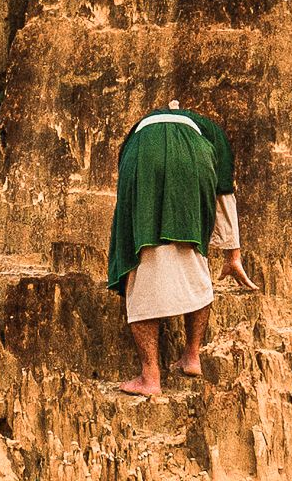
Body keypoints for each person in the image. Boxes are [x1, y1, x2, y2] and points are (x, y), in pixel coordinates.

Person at [106, 102, 256, 397]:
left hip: (143, 157)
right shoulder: (209, 131)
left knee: (144, 262)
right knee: (193, 261)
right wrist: (233, 253)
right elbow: (224, 190)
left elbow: (125, 181)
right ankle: (192, 355)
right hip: (195, 163)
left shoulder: (138, 131)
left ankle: (150, 376)